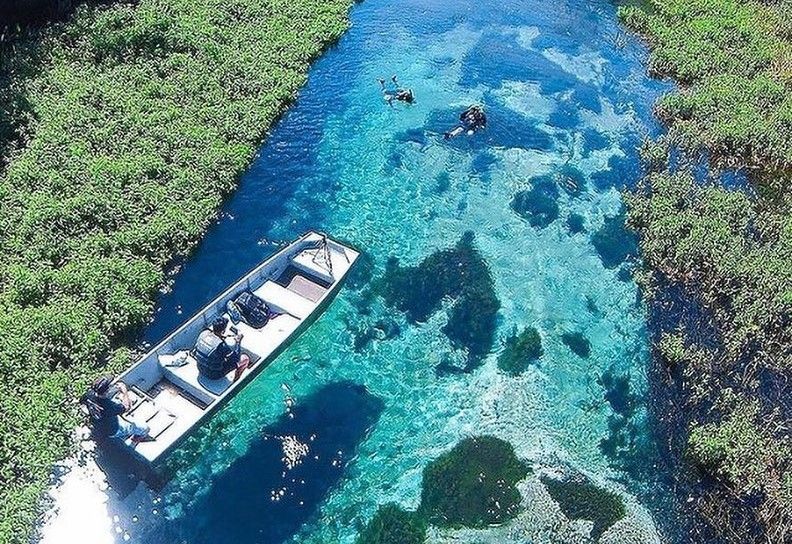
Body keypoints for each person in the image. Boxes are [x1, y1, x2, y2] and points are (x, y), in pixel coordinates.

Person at [84, 376, 150, 442]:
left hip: (98, 422)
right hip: (113, 430)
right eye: (110, 385)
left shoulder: (88, 395)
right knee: (145, 428)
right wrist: (124, 391)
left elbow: (82, 401)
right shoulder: (109, 406)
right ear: (107, 391)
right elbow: (127, 407)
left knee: (119, 401)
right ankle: (135, 439)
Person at [195, 316, 250, 381]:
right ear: (223, 331)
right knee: (245, 358)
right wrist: (238, 342)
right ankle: (236, 379)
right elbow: (236, 359)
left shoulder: (203, 334)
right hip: (214, 375)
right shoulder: (222, 346)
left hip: (200, 368)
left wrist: (221, 337)